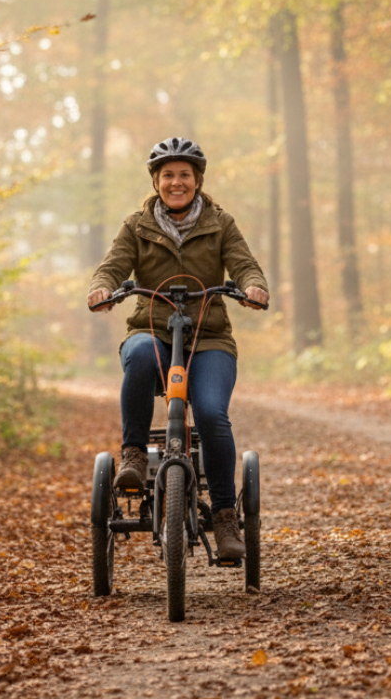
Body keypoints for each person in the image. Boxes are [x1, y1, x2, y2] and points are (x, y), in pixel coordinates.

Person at [87, 136, 269, 560]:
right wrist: (101, 288)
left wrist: (253, 286)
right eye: (167, 175)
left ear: (198, 180)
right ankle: (132, 455)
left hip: (209, 336)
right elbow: (113, 264)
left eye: (184, 174)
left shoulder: (221, 224)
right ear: (155, 181)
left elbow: (243, 262)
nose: (176, 182)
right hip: (152, 326)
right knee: (136, 356)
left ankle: (224, 517)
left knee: (210, 413)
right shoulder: (136, 226)